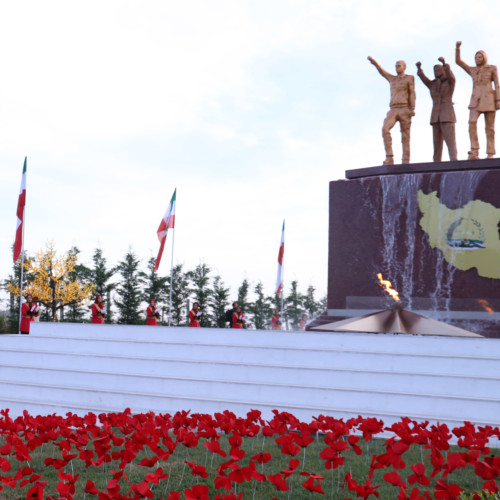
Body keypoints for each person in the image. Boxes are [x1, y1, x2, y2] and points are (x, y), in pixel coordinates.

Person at [456, 41, 500, 159]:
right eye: (476, 57)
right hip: (475, 101)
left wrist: (498, 100)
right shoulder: (473, 70)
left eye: (479, 57)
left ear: (484, 58)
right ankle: (474, 150)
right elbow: (459, 62)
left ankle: (490, 153)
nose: (477, 59)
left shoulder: (492, 68)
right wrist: (458, 48)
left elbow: (497, 84)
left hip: (489, 100)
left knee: (490, 128)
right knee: (472, 122)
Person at [367, 57, 416, 165]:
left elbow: (412, 93)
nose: (397, 67)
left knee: (405, 136)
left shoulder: (409, 78)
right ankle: (389, 157)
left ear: (404, 67)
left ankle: (405, 161)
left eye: (399, 65)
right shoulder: (392, 78)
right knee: (385, 129)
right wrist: (375, 63)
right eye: (396, 66)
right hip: (393, 109)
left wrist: (412, 108)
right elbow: (382, 72)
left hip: (404, 108)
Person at [416, 57, 458, 162]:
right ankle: (436, 164)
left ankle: (454, 161)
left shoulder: (449, 82)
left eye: (439, 69)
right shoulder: (432, 84)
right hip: (435, 117)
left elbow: (452, 77)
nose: (436, 72)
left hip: (447, 115)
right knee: (436, 145)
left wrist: (445, 64)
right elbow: (424, 79)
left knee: (450, 142)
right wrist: (419, 69)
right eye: (435, 70)